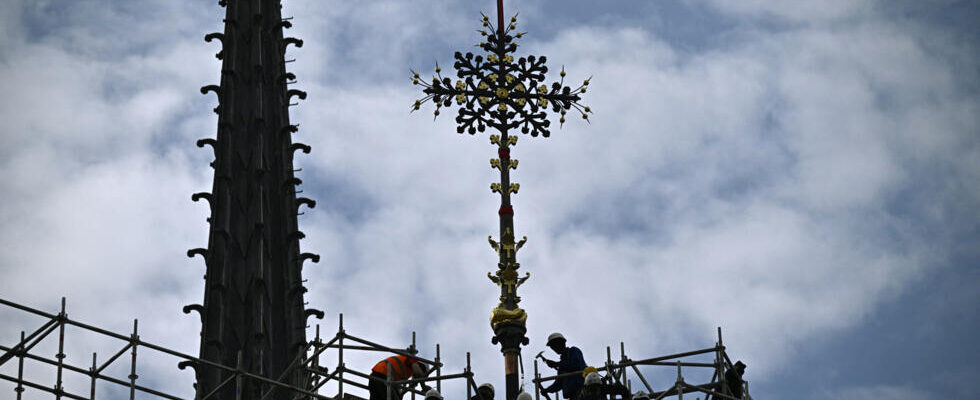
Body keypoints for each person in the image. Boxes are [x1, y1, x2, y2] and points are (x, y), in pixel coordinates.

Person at [540, 332, 587, 400]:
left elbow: (576, 365)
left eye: (554, 345)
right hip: (572, 396)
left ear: (562, 343)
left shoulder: (574, 351)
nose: (554, 349)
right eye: (552, 347)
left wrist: (557, 364)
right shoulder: (562, 363)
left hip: (582, 392)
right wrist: (547, 390)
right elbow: (558, 383)